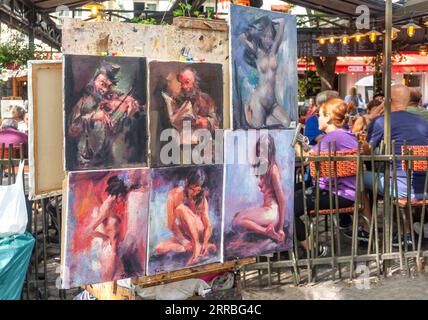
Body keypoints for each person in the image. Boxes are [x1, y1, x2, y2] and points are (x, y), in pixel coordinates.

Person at [361, 84, 428, 246]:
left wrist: (361, 133)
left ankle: (366, 227)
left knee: (357, 178)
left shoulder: (381, 121)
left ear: (387, 101)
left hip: (399, 186)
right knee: (403, 174)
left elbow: (367, 151)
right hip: (424, 186)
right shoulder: (423, 122)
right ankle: (406, 231)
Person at [294, 99, 358, 255]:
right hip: (343, 192)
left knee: (285, 208)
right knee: (288, 194)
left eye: (320, 115)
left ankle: (313, 249)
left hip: (336, 194)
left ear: (329, 117)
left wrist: (296, 143)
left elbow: (306, 158)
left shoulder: (332, 137)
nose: (317, 118)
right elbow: (315, 153)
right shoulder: (344, 135)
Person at [67, 61, 145, 168]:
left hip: (106, 158)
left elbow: (121, 102)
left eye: (108, 86)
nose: (104, 90)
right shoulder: (83, 102)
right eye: (102, 84)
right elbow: (72, 130)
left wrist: (130, 104)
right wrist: (94, 116)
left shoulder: (110, 96)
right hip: (86, 161)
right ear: (94, 79)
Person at [154, 169, 217, 265]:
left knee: (180, 209)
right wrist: (184, 241)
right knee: (159, 248)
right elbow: (171, 224)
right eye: (192, 189)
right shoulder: (173, 195)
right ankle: (192, 247)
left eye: (198, 190)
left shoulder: (202, 199)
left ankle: (197, 245)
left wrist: (204, 241)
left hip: (199, 232)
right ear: (186, 182)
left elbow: (208, 226)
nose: (195, 193)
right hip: (185, 233)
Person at [232, 134, 286, 243]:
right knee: (236, 216)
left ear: (270, 151)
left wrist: (281, 228)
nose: (261, 155)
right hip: (266, 209)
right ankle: (266, 231)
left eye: (263, 151)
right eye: (259, 152)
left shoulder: (273, 170)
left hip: (272, 213)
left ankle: (266, 231)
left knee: (237, 221)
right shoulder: (265, 168)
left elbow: (282, 201)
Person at [239, 16, 291, 128]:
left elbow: (282, 22)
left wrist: (270, 22)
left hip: (273, 101)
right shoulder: (257, 51)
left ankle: (264, 118)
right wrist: (255, 30)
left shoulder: (274, 51)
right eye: (265, 36)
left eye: (270, 37)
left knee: (287, 123)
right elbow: (242, 37)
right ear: (260, 37)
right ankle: (248, 113)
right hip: (259, 98)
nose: (268, 40)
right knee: (257, 126)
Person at [88, 175, 129, 281]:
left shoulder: (108, 205)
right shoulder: (106, 208)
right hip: (111, 254)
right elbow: (88, 230)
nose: (124, 200)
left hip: (114, 252)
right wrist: (105, 237)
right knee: (109, 284)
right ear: (119, 195)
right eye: (124, 197)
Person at [164, 67, 221, 135]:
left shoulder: (206, 99)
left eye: (187, 82)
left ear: (195, 81)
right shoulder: (175, 101)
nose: (184, 86)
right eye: (181, 83)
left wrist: (207, 122)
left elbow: (216, 122)